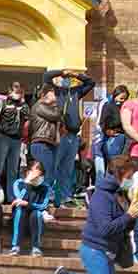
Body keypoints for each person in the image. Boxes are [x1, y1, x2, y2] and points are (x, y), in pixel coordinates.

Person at [48, 154, 138, 274]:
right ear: (119, 174)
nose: (131, 180)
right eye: (129, 176)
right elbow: (105, 228)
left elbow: (124, 226)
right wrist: (128, 215)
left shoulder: (120, 194)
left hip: (109, 250)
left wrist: (134, 214)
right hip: (95, 249)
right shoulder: (102, 196)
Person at [45, 69, 95, 206]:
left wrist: (76, 74)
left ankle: (65, 196)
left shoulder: (76, 91)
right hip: (60, 134)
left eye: (70, 80)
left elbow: (91, 82)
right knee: (54, 166)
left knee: (67, 168)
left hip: (73, 136)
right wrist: (61, 72)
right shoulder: (56, 91)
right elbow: (46, 77)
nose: (67, 81)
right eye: (65, 79)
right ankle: (49, 196)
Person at [0, 80, 28, 196]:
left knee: (13, 169)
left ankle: (11, 196)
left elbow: (27, 118)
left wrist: (22, 101)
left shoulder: (23, 105)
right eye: (15, 87)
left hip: (16, 139)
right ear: (10, 89)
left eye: (20, 87)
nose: (18, 89)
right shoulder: (3, 102)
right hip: (3, 137)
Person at [9, 159, 52, 256]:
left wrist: (28, 204)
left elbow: (43, 205)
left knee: (37, 213)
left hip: (35, 219)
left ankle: (36, 247)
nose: (38, 177)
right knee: (20, 209)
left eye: (40, 175)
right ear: (28, 172)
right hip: (19, 218)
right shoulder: (18, 183)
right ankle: (15, 246)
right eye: (35, 174)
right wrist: (28, 183)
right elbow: (19, 200)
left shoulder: (45, 187)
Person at [27, 85, 62, 183]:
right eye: (52, 93)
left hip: (48, 143)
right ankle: (41, 197)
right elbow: (56, 115)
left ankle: (46, 196)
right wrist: (56, 104)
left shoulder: (48, 107)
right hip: (41, 143)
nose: (55, 96)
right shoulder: (39, 106)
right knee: (43, 174)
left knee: (49, 174)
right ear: (43, 95)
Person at [96, 85, 129, 176]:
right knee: (113, 164)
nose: (123, 101)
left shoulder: (125, 108)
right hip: (113, 138)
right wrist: (108, 131)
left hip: (123, 138)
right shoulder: (108, 106)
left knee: (121, 164)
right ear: (115, 96)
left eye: (125, 99)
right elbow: (102, 122)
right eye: (121, 98)